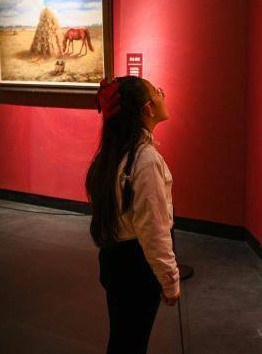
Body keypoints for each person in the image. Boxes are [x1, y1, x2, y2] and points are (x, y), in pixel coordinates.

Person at [85, 76, 180, 354]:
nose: (162, 94)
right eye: (157, 92)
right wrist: (170, 280)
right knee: (131, 343)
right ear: (148, 109)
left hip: (115, 261)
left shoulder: (113, 154)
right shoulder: (145, 160)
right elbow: (153, 231)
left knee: (123, 338)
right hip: (136, 269)